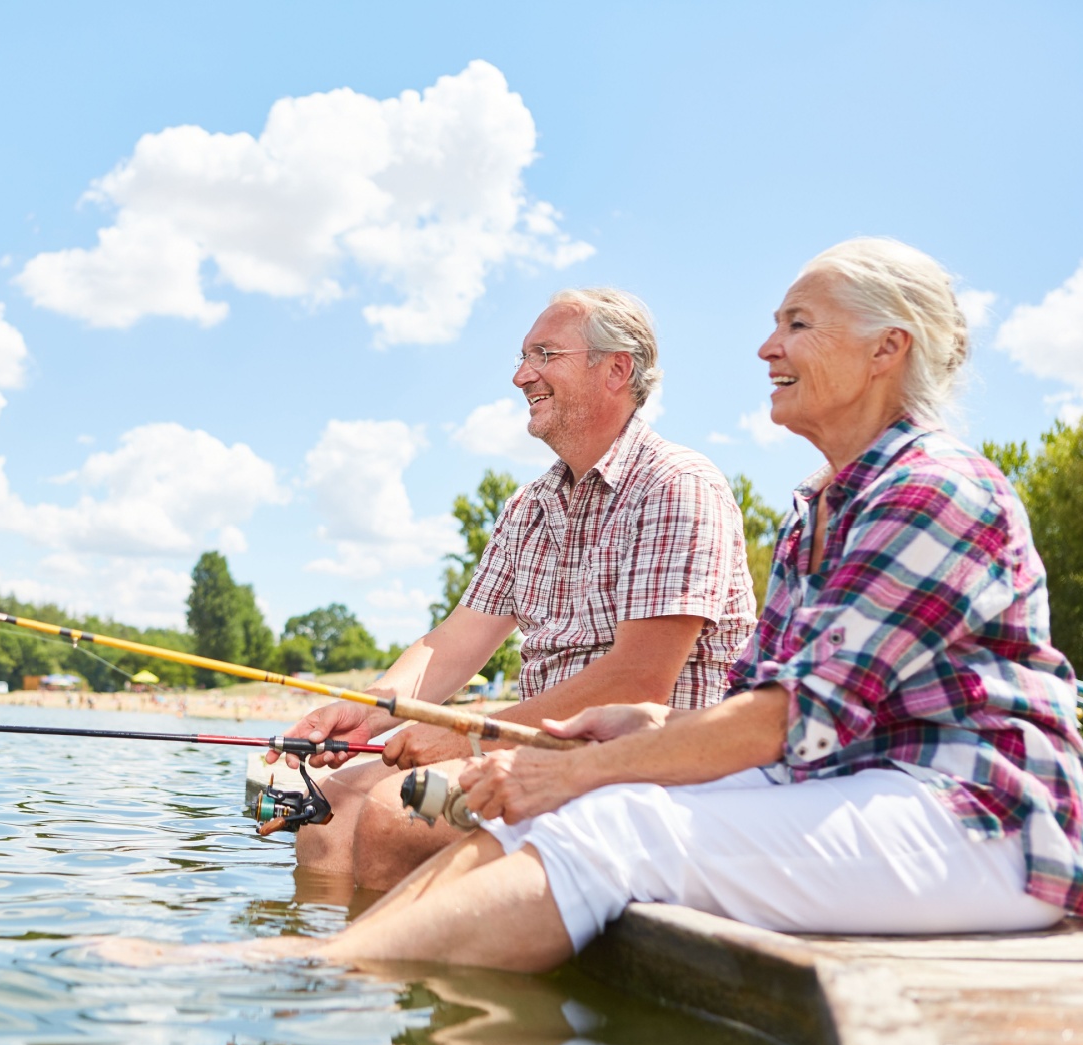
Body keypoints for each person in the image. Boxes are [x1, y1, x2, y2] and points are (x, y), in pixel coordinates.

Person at [234, 237, 1083, 972]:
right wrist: (612, 736)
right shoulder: (817, 509)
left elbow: (781, 717)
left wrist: (560, 762)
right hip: (846, 786)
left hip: (985, 818)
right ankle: (328, 974)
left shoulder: (930, 489)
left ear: (886, 349)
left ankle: (310, 976)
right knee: (356, 803)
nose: (766, 348)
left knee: (600, 821)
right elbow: (769, 710)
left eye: (797, 324)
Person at [272, 288, 758, 889]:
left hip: (643, 765)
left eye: (544, 354)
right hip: (525, 749)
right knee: (328, 809)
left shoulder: (679, 485)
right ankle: (337, 976)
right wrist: (369, 712)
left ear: (616, 369)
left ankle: (389, 966)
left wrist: (466, 733)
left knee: (397, 814)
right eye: (523, 356)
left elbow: (640, 678)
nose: (520, 375)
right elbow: (455, 640)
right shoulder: (529, 505)